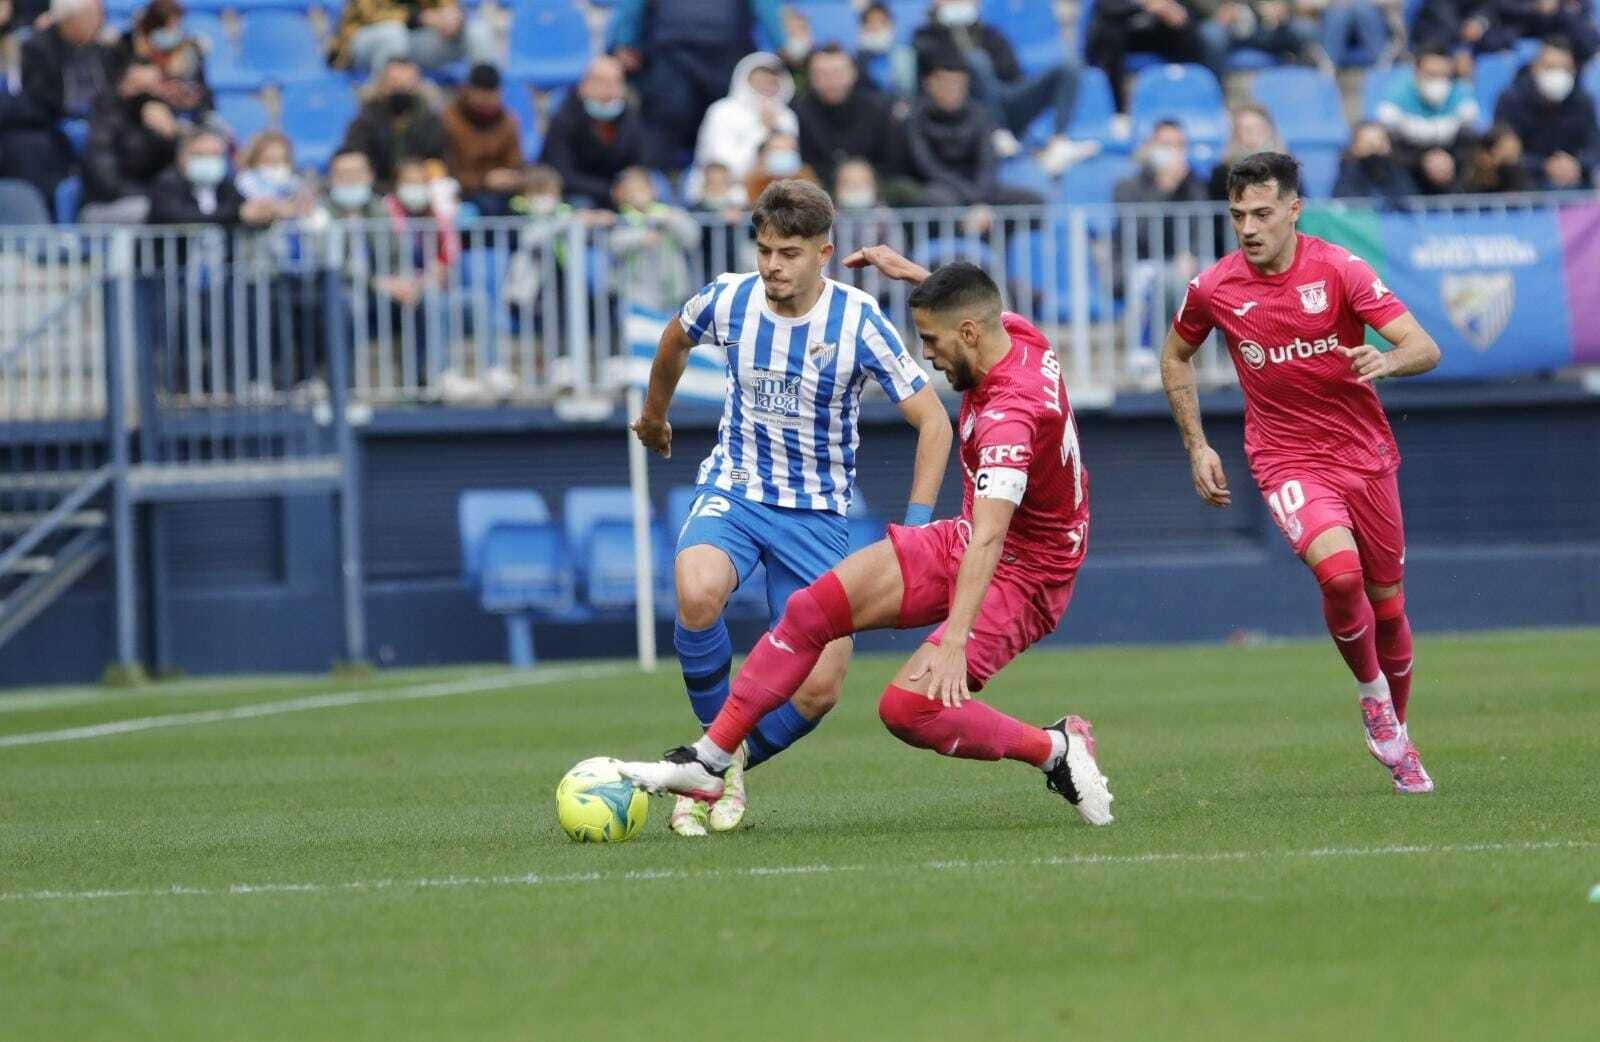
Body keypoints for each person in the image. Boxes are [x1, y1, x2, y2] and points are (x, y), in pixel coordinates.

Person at [617, 250, 1113, 829]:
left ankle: (1056, 749)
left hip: (1024, 573)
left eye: (931, 339)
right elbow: (971, 304)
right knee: (810, 611)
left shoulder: (1010, 416)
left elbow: (991, 537)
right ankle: (711, 760)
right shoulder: (1019, 337)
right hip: (969, 536)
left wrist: (953, 639)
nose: (926, 355)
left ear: (970, 333)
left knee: (908, 709)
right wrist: (914, 276)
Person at [627, 179, 952, 836]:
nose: (773, 265)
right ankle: (711, 760)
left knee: (821, 686)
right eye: (766, 250)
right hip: (737, 490)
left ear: (824, 253)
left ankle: (722, 763)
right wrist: (654, 416)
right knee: (695, 591)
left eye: (789, 253)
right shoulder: (730, 298)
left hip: (819, 515)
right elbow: (674, 341)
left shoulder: (858, 320)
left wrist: (916, 529)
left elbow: (935, 423)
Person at [1160, 151, 1442, 794]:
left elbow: (1424, 347)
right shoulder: (1213, 288)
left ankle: (1398, 735)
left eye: (1262, 213)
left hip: (1365, 456)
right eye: (1238, 216)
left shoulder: (1340, 270)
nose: (1249, 227)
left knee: (1389, 608)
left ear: (1293, 210)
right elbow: (1175, 357)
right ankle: (1372, 699)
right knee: (1339, 574)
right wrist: (1196, 444)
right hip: (1287, 457)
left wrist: (1384, 363)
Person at [912, 0, 1099, 174]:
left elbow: (1013, 75)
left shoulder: (990, 33)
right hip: (969, 110)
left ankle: (1058, 142)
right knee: (977, 60)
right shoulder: (925, 37)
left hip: (1005, 101)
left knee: (1068, 67)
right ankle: (996, 131)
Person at [606, 0, 789, 170]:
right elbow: (631, 8)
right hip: (670, 56)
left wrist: (782, 42)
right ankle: (659, 186)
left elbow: (766, 7)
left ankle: (723, 187)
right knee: (664, 118)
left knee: (726, 118)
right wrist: (624, 40)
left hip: (727, 55)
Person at [2, 0, 125, 209]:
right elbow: (41, 98)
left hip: (99, 120)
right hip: (54, 122)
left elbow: (116, 88)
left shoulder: (103, 48)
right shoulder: (38, 47)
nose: (99, 23)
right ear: (71, 21)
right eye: (92, 17)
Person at [906, 56, 1042, 206]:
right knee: (934, 200)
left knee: (1031, 201)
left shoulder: (980, 115)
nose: (952, 89)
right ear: (929, 83)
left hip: (981, 191)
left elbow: (987, 163)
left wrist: (979, 201)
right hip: (942, 190)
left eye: (958, 83)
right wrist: (971, 200)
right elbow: (928, 167)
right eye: (946, 83)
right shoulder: (915, 119)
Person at [1492, 38, 1599, 190]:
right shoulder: (1512, 100)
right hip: (1526, 186)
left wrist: (1576, 164)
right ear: (1534, 68)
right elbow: (1505, 150)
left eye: (1564, 69)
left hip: (1575, 182)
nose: (1557, 75)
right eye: (1550, 67)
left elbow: (1594, 145)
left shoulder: (1583, 102)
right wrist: (1544, 166)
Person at [539, 56, 645, 208]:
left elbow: (638, 164)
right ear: (584, 85)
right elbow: (561, 174)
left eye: (616, 81)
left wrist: (629, 187)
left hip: (619, 194)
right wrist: (608, 190)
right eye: (602, 82)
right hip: (575, 194)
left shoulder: (630, 119)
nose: (610, 89)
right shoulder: (564, 119)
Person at [79, 62, 179, 224]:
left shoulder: (166, 119)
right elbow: (107, 181)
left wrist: (170, 138)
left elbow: (177, 175)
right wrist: (156, 197)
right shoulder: (104, 121)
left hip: (152, 199)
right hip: (105, 206)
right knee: (151, 209)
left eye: (153, 87)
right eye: (140, 87)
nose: (147, 95)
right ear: (123, 86)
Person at [1086, 0, 1224, 113]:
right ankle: (1115, 107)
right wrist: (1145, 5)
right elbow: (1106, 7)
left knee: (1189, 31)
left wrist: (1176, 13)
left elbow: (1190, 9)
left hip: (1159, 29)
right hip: (1124, 29)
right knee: (1111, 35)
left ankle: (1198, 103)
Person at [794, 44, 898, 191]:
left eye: (837, 72)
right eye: (822, 74)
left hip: (873, 188)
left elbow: (891, 160)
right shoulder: (797, 112)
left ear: (853, 73)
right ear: (810, 77)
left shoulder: (877, 109)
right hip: (816, 190)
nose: (830, 80)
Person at [339, 56, 447, 189]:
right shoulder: (365, 121)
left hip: (419, 189)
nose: (401, 88)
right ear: (382, 85)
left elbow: (438, 159)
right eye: (394, 82)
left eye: (407, 83)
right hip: (376, 190)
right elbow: (356, 156)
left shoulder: (430, 121)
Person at [604, 166, 700, 312]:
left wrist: (670, 219)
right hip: (635, 294)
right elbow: (612, 244)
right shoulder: (619, 219)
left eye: (641, 188)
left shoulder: (670, 213)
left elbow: (693, 237)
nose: (637, 194)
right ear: (621, 194)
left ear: (653, 190)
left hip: (673, 291)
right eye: (631, 190)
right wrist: (640, 238)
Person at [694, 51, 799, 183]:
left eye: (771, 82)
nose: (764, 88)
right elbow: (722, 166)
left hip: (774, 190)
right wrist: (761, 130)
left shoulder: (786, 116)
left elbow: (790, 166)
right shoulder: (721, 112)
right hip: (726, 190)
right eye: (759, 82)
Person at [441, 63, 523, 217]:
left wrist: (510, 178)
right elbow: (447, 171)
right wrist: (484, 180)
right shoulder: (449, 121)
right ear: (468, 91)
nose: (486, 102)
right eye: (481, 96)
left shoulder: (509, 123)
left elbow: (515, 166)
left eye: (491, 96)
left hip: (502, 193)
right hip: (463, 193)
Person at [327, 0, 496, 74]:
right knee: (392, 33)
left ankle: (483, 97)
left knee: (478, 31)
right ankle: (385, 103)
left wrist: (453, 18)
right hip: (362, 41)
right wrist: (422, 17)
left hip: (412, 41)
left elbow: (448, 6)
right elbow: (371, 14)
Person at [1375, 47, 1480, 165]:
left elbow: (1469, 115)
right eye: (1431, 74)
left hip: (1450, 153)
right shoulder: (1400, 90)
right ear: (1416, 71)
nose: (1438, 81)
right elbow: (1387, 117)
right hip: (1410, 153)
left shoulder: (1459, 88)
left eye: (1444, 75)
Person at [115, 0, 211, 122]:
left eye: (175, 26)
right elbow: (116, 92)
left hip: (182, 120)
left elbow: (203, 100)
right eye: (165, 27)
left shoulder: (189, 51)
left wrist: (183, 93)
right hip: (138, 123)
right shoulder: (127, 49)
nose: (171, 33)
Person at [1203, 1, 1324, 70]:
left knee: (1305, 30)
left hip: (1280, 25)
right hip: (1240, 25)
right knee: (1214, 34)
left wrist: (1282, 12)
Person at [1209, 103, 1283, 200]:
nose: (1253, 133)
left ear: (1268, 129)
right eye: (1245, 129)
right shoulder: (1222, 171)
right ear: (1235, 133)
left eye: (1257, 127)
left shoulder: (1286, 167)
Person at [1331, 121, 1418, 204]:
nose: (1375, 148)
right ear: (1355, 147)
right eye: (1369, 144)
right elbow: (1348, 205)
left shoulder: (1398, 171)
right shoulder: (1348, 172)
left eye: (1380, 141)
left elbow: (1411, 203)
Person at [856, 2, 917, 98]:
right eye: (870, 23)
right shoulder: (856, 59)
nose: (876, 27)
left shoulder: (905, 55)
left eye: (882, 22)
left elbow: (909, 89)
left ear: (891, 25)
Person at [744, 131, 819, 200]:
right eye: (777, 149)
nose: (783, 154)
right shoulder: (754, 180)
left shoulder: (806, 178)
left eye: (789, 149)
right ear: (764, 155)